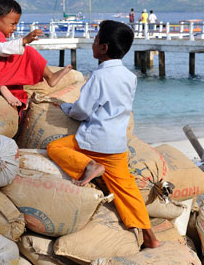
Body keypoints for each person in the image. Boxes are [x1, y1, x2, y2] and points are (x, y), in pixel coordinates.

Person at [46, 20, 162, 249]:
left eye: (96, 39)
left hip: (92, 142)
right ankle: (150, 236)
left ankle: (89, 166)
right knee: (126, 189)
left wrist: (66, 108)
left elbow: (83, 111)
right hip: (116, 145)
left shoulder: (98, 77)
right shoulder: (130, 77)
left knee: (55, 148)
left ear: (104, 48)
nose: (93, 42)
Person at [0, 0, 72, 108]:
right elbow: (1, 49)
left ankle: (3, 88)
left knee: (16, 55)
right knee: (27, 52)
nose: (14, 28)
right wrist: (24, 40)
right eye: (13, 24)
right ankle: (50, 76)